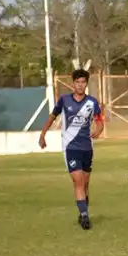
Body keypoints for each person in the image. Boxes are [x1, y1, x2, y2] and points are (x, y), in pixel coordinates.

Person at [38, 68, 104, 230]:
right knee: (78, 181)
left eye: (83, 82)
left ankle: (83, 210)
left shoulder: (92, 103)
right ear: (73, 83)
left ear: (86, 84)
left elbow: (99, 121)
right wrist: (43, 134)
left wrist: (98, 130)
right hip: (70, 147)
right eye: (77, 82)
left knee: (86, 183)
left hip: (87, 148)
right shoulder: (64, 100)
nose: (80, 85)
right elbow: (52, 117)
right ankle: (85, 216)